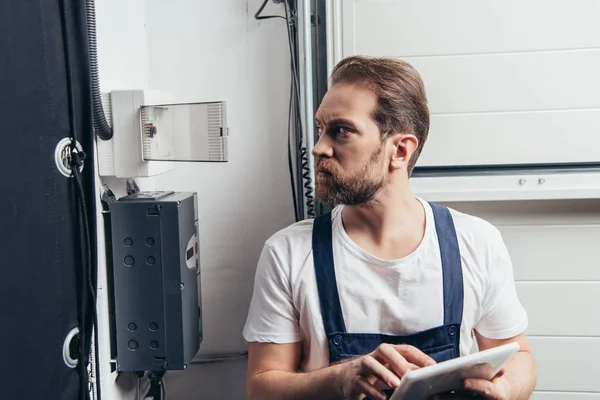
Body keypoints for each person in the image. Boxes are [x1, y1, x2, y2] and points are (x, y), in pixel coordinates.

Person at [243, 56, 536, 400]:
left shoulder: (476, 241)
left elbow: (520, 360)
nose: (319, 148)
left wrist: (504, 388)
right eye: (321, 129)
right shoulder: (287, 253)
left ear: (399, 150)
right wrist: (340, 378)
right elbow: (261, 386)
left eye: (341, 130)